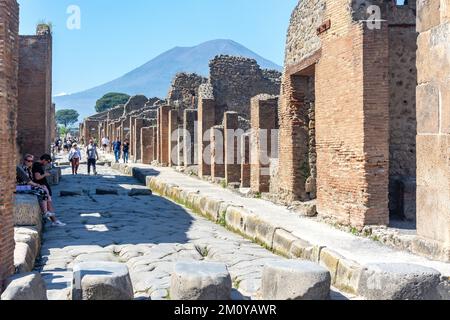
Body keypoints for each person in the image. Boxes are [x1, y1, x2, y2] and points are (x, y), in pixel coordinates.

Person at [29, 154, 66, 227]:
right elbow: (37, 177)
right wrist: (45, 174)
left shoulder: (39, 165)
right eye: (47, 162)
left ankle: (55, 221)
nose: (47, 164)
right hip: (42, 186)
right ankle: (55, 221)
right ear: (44, 160)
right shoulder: (37, 165)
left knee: (49, 205)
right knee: (49, 205)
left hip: (44, 186)